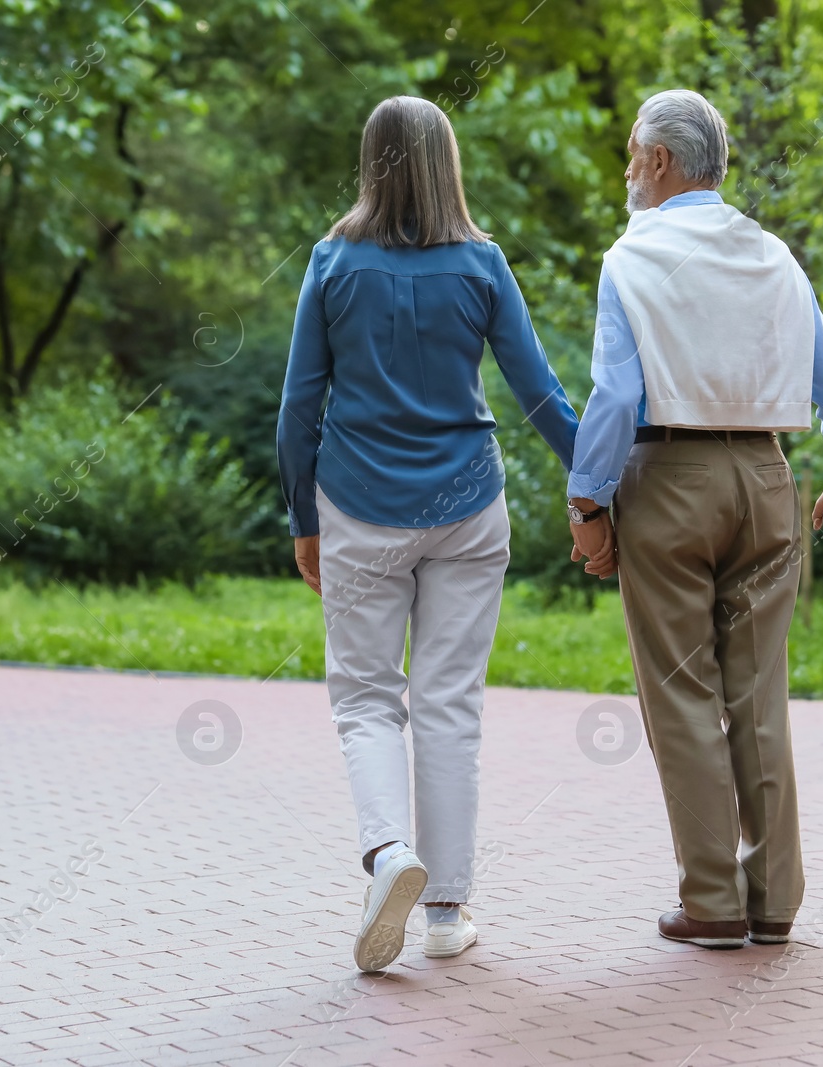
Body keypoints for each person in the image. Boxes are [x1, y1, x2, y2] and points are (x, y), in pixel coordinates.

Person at [277, 95, 579, 972]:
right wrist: (601, 483)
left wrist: (305, 520)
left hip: (359, 508)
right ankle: (446, 910)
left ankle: (388, 856)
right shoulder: (482, 263)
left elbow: (300, 405)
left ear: (370, 162)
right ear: (447, 161)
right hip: (468, 506)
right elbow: (540, 393)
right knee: (450, 705)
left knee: (368, 697)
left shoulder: (332, 263)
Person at [566, 89, 823, 949]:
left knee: (682, 693)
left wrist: (587, 502)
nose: (629, 169)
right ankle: (773, 900)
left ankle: (712, 902)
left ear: (659, 161)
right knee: (758, 694)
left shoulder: (632, 256)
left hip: (667, 476)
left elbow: (616, 395)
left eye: (633, 153)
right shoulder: (774, 256)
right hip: (769, 476)